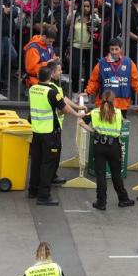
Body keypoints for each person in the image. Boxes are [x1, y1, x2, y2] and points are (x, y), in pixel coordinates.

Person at [28, 62, 87, 206]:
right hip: (50, 132)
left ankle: (33, 190)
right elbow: (65, 109)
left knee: (36, 162)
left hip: (36, 131)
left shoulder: (33, 89)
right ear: (50, 76)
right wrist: (79, 115)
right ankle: (44, 195)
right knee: (48, 164)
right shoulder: (51, 92)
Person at [80, 89, 134, 210]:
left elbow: (81, 122)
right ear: (113, 100)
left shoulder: (94, 112)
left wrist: (93, 131)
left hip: (99, 145)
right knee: (116, 174)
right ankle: (123, 199)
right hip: (114, 146)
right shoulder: (118, 113)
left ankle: (101, 202)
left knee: (101, 175)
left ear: (101, 99)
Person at [85, 37, 138, 110]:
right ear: (109, 49)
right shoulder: (101, 64)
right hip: (106, 104)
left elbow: (135, 82)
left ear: (121, 49)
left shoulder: (129, 63)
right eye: (112, 49)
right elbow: (94, 81)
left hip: (123, 104)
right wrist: (87, 92)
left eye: (116, 49)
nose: (114, 52)